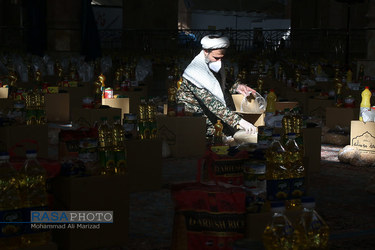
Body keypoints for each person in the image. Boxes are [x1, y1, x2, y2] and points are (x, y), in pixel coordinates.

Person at [177, 34, 257, 137]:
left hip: (214, 115)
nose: (219, 62)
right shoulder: (195, 73)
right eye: (216, 58)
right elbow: (212, 103)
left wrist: (237, 87)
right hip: (196, 120)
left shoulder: (212, 64)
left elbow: (221, 82)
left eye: (221, 58)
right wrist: (241, 122)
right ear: (206, 51)